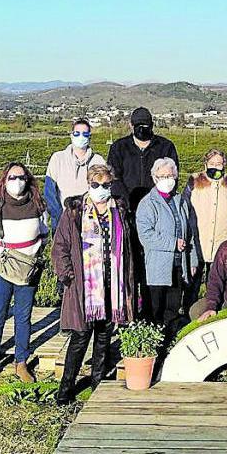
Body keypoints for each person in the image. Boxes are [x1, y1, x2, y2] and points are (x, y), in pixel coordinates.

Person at [53, 164, 137, 403]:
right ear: (88, 184)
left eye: (106, 185)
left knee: (103, 338)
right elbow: (60, 246)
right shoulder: (75, 211)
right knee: (80, 337)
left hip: (112, 285)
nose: (101, 189)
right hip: (84, 287)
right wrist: (68, 275)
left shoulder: (119, 210)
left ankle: (97, 385)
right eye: (96, 184)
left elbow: (128, 246)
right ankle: (65, 390)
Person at [0, 162, 48, 387]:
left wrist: (29, 259)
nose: (18, 182)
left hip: (27, 272)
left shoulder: (38, 206)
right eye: (12, 178)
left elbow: (44, 236)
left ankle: (21, 362)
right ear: (4, 181)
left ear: (28, 180)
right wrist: (2, 264)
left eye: (22, 178)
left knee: (23, 317)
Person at [134, 157, 200, 340]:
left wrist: (192, 259)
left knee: (172, 308)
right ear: (154, 178)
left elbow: (190, 233)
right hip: (157, 267)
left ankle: (168, 343)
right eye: (163, 176)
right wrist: (172, 243)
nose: (167, 179)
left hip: (178, 265)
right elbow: (146, 235)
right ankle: (151, 345)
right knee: (155, 310)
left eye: (170, 175)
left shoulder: (181, 201)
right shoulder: (148, 204)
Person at [184, 149, 227, 315]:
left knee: (217, 287)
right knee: (191, 285)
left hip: (221, 246)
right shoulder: (194, 183)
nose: (215, 167)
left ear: (225, 165)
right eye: (212, 164)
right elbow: (184, 209)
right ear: (205, 164)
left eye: (219, 164)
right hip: (196, 244)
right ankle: (187, 318)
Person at [107, 107, 179, 213]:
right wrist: (126, 203)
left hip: (157, 207)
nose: (141, 129)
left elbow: (172, 177)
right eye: (138, 126)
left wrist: (157, 201)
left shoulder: (165, 147)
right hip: (126, 209)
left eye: (145, 125)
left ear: (152, 125)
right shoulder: (119, 147)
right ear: (131, 125)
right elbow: (114, 178)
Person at [44, 118, 107, 235]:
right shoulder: (58, 158)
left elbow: (104, 191)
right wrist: (59, 218)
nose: (81, 137)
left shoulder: (98, 161)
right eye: (77, 133)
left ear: (90, 137)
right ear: (71, 135)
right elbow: (49, 193)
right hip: (63, 221)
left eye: (85, 134)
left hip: (90, 222)